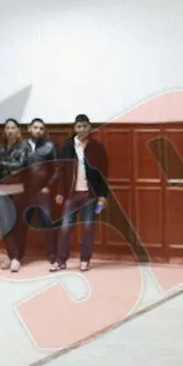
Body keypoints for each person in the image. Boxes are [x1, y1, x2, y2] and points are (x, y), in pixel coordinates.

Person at [52, 114, 109, 272]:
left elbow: (103, 174)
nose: (82, 129)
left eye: (85, 126)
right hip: (71, 194)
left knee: (88, 228)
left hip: (89, 195)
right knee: (65, 227)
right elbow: (61, 171)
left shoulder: (97, 147)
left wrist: (103, 196)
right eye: (79, 126)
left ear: (89, 127)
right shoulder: (67, 146)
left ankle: (85, 259)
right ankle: (61, 260)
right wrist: (59, 192)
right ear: (74, 128)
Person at [0, 118, 29, 272]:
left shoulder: (24, 147)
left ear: (18, 130)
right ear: (4, 131)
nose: (10, 131)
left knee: (17, 224)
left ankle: (15, 257)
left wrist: (1, 164)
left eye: (13, 128)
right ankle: (13, 255)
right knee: (5, 224)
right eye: (7, 128)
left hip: (17, 188)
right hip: (0, 188)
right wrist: (7, 168)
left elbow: (21, 165)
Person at [21, 118, 60, 272]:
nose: (38, 131)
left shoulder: (50, 146)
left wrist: (48, 186)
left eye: (41, 128)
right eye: (36, 127)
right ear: (29, 128)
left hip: (42, 192)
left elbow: (57, 169)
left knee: (48, 223)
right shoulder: (21, 146)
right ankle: (16, 256)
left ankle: (52, 255)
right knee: (20, 224)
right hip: (24, 192)